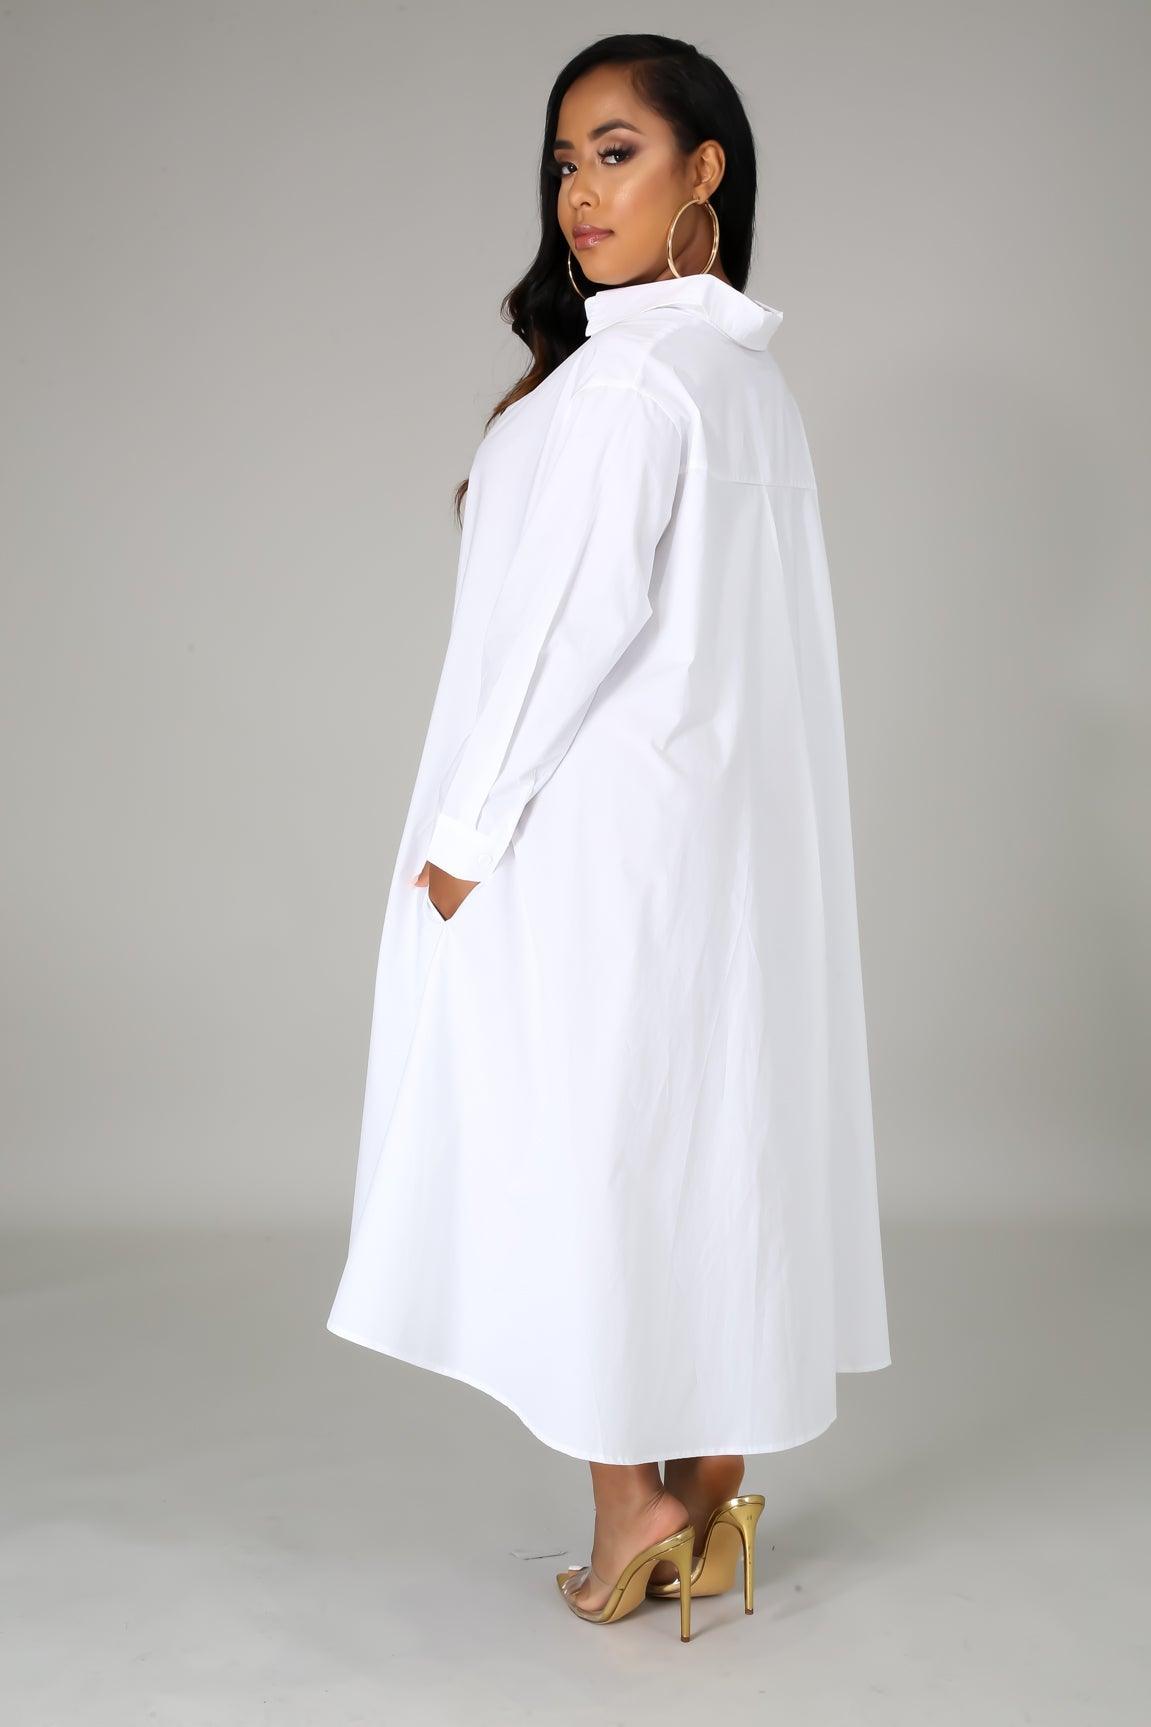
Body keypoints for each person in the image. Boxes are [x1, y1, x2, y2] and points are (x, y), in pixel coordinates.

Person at [326, 33, 891, 1639]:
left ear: (705, 170)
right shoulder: (744, 380)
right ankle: (707, 1489)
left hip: (584, 843)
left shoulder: (631, 383)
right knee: (700, 1135)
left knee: (586, 1156)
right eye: (566, 161)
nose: (581, 191)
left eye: (619, 152)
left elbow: (565, 629)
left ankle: (627, 1509)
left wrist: (464, 835)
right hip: (712, 852)